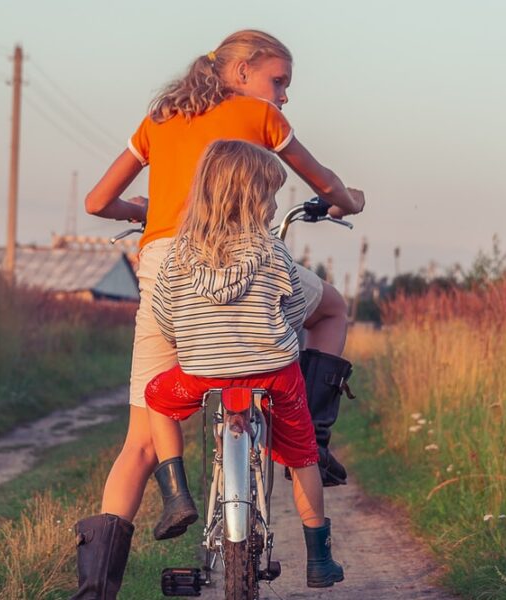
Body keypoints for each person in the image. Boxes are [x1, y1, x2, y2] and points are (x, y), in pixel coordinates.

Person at [72, 29, 363, 599]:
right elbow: (325, 183)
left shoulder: (159, 117)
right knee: (331, 309)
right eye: (278, 81)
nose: (282, 95)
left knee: (139, 442)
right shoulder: (261, 117)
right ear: (242, 71)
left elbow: (97, 202)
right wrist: (349, 200)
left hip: (167, 267)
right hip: (247, 258)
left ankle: (95, 592)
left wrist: (146, 209)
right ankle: (312, 439)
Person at [144, 139, 344, 587]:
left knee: (156, 399)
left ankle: (176, 495)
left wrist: (191, 341)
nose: (274, 206)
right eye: (270, 196)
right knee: (303, 453)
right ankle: (318, 558)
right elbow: (292, 307)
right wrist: (276, 334)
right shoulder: (273, 251)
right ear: (252, 199)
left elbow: (164, 314)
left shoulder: (179, 254)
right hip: (274, 373)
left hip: (201, 372)